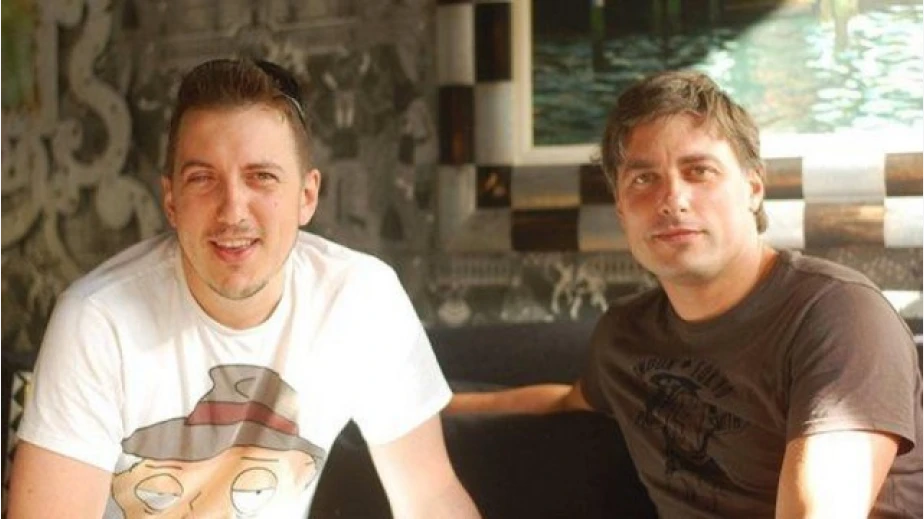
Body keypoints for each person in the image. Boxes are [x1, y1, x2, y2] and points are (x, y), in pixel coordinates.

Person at [9, 58, 481, 519]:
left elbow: (431, 497)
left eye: (262, 177)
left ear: (307, 196)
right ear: (171, 200)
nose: (233, 210)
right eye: (202, 179)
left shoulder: (361, 300)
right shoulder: (98, 321)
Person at [448, 70, 923, 517]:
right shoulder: (625, 338)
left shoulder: (837, 314)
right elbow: (567, 402)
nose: (672, 199)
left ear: (753, 189)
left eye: (699, 171)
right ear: (621, 210)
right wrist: (428, 404)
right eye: (643, 178)